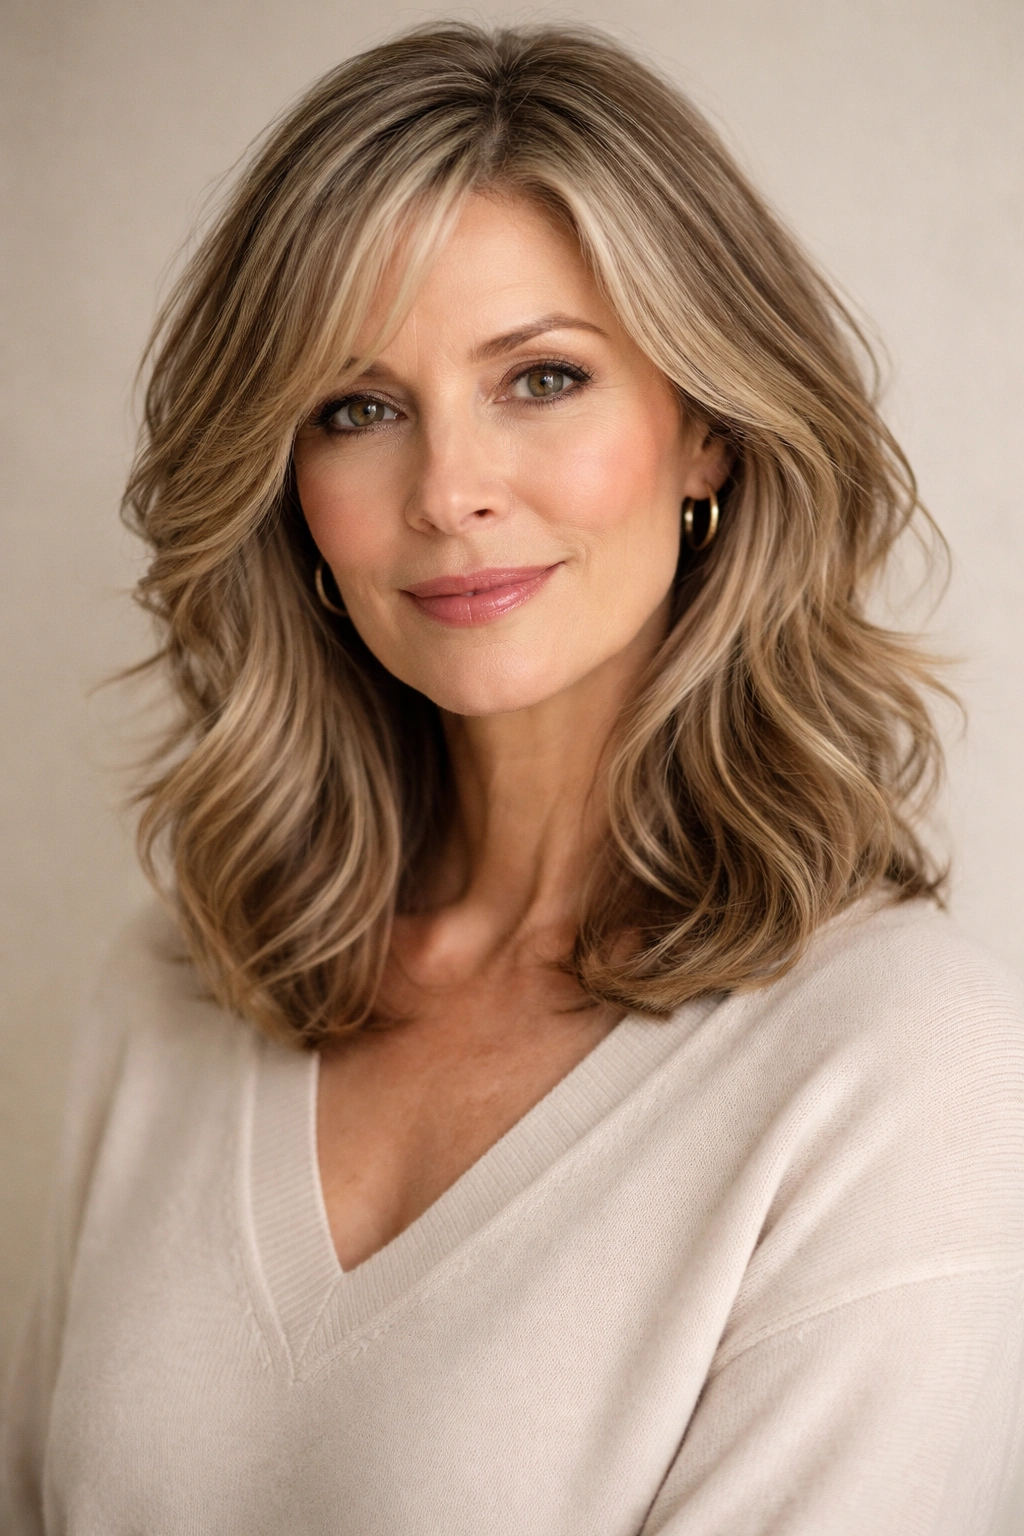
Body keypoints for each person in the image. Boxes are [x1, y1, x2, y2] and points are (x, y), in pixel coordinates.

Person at [4, 21, 1023, 1535]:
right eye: (356, 408)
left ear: (709, 440)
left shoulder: (900, 1068)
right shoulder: (171, 992)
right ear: (290, 493)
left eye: (541, 378)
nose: (449, 490)